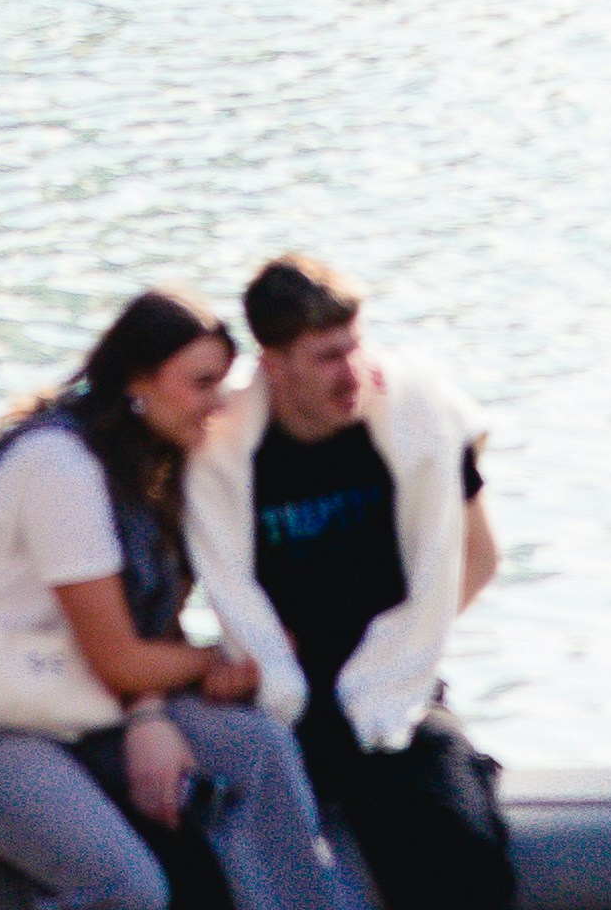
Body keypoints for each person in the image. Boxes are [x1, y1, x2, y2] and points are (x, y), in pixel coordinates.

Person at [0, 289, 345, 910]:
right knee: (126, 888)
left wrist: (151, 717)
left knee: (260, 749)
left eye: (223, 383)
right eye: (201, 384)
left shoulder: (153, 462)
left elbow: (147, 636)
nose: (219, 403)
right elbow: (119, 657)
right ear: (137, 381)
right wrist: (216, 663)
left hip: (91, 711)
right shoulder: (60, 467)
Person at [186, 252, 513, 910]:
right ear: (273, 366)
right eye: (328, 357)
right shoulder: (222, 456)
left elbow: (480, 557)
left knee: (465, 858)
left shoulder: (418, 417)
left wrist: (404, 650)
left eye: (356, 346)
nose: (353, 373)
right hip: (284, 696)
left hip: (396, 692)